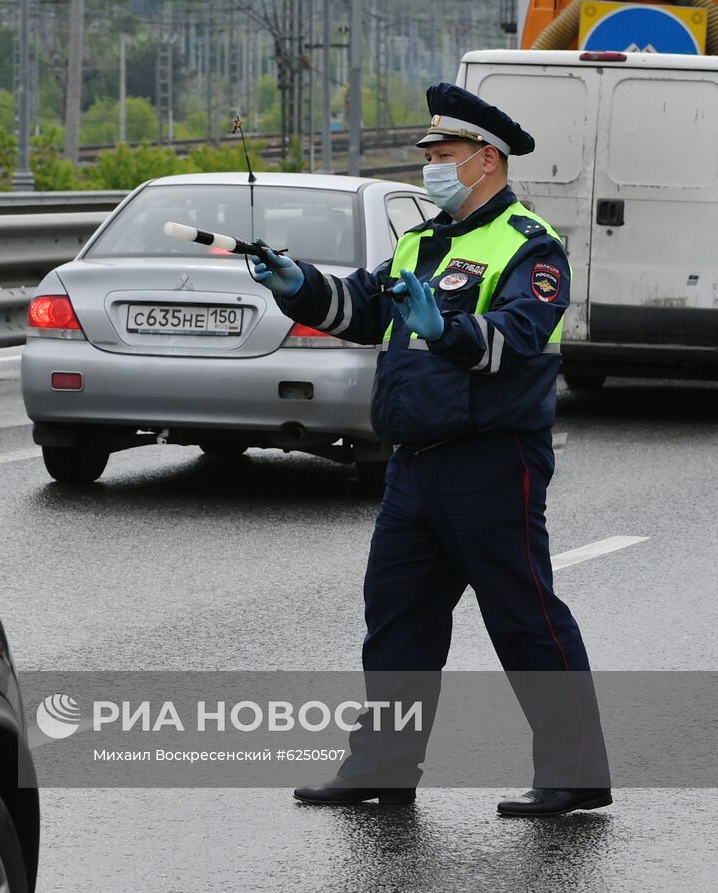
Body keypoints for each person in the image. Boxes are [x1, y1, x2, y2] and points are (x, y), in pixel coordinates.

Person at [253, 83, 611, 817]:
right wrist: (297, 285)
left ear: (487, 160)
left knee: (523, 615)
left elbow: (516, 341)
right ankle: (382, 765)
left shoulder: (530, 246)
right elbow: (360, 306)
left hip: (492, 459)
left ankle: (575, 770)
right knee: (397, 618)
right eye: (429, 157)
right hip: (415, 461)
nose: (431, 168)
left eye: (444, 155)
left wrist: (445, 329)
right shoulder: (422, 239)